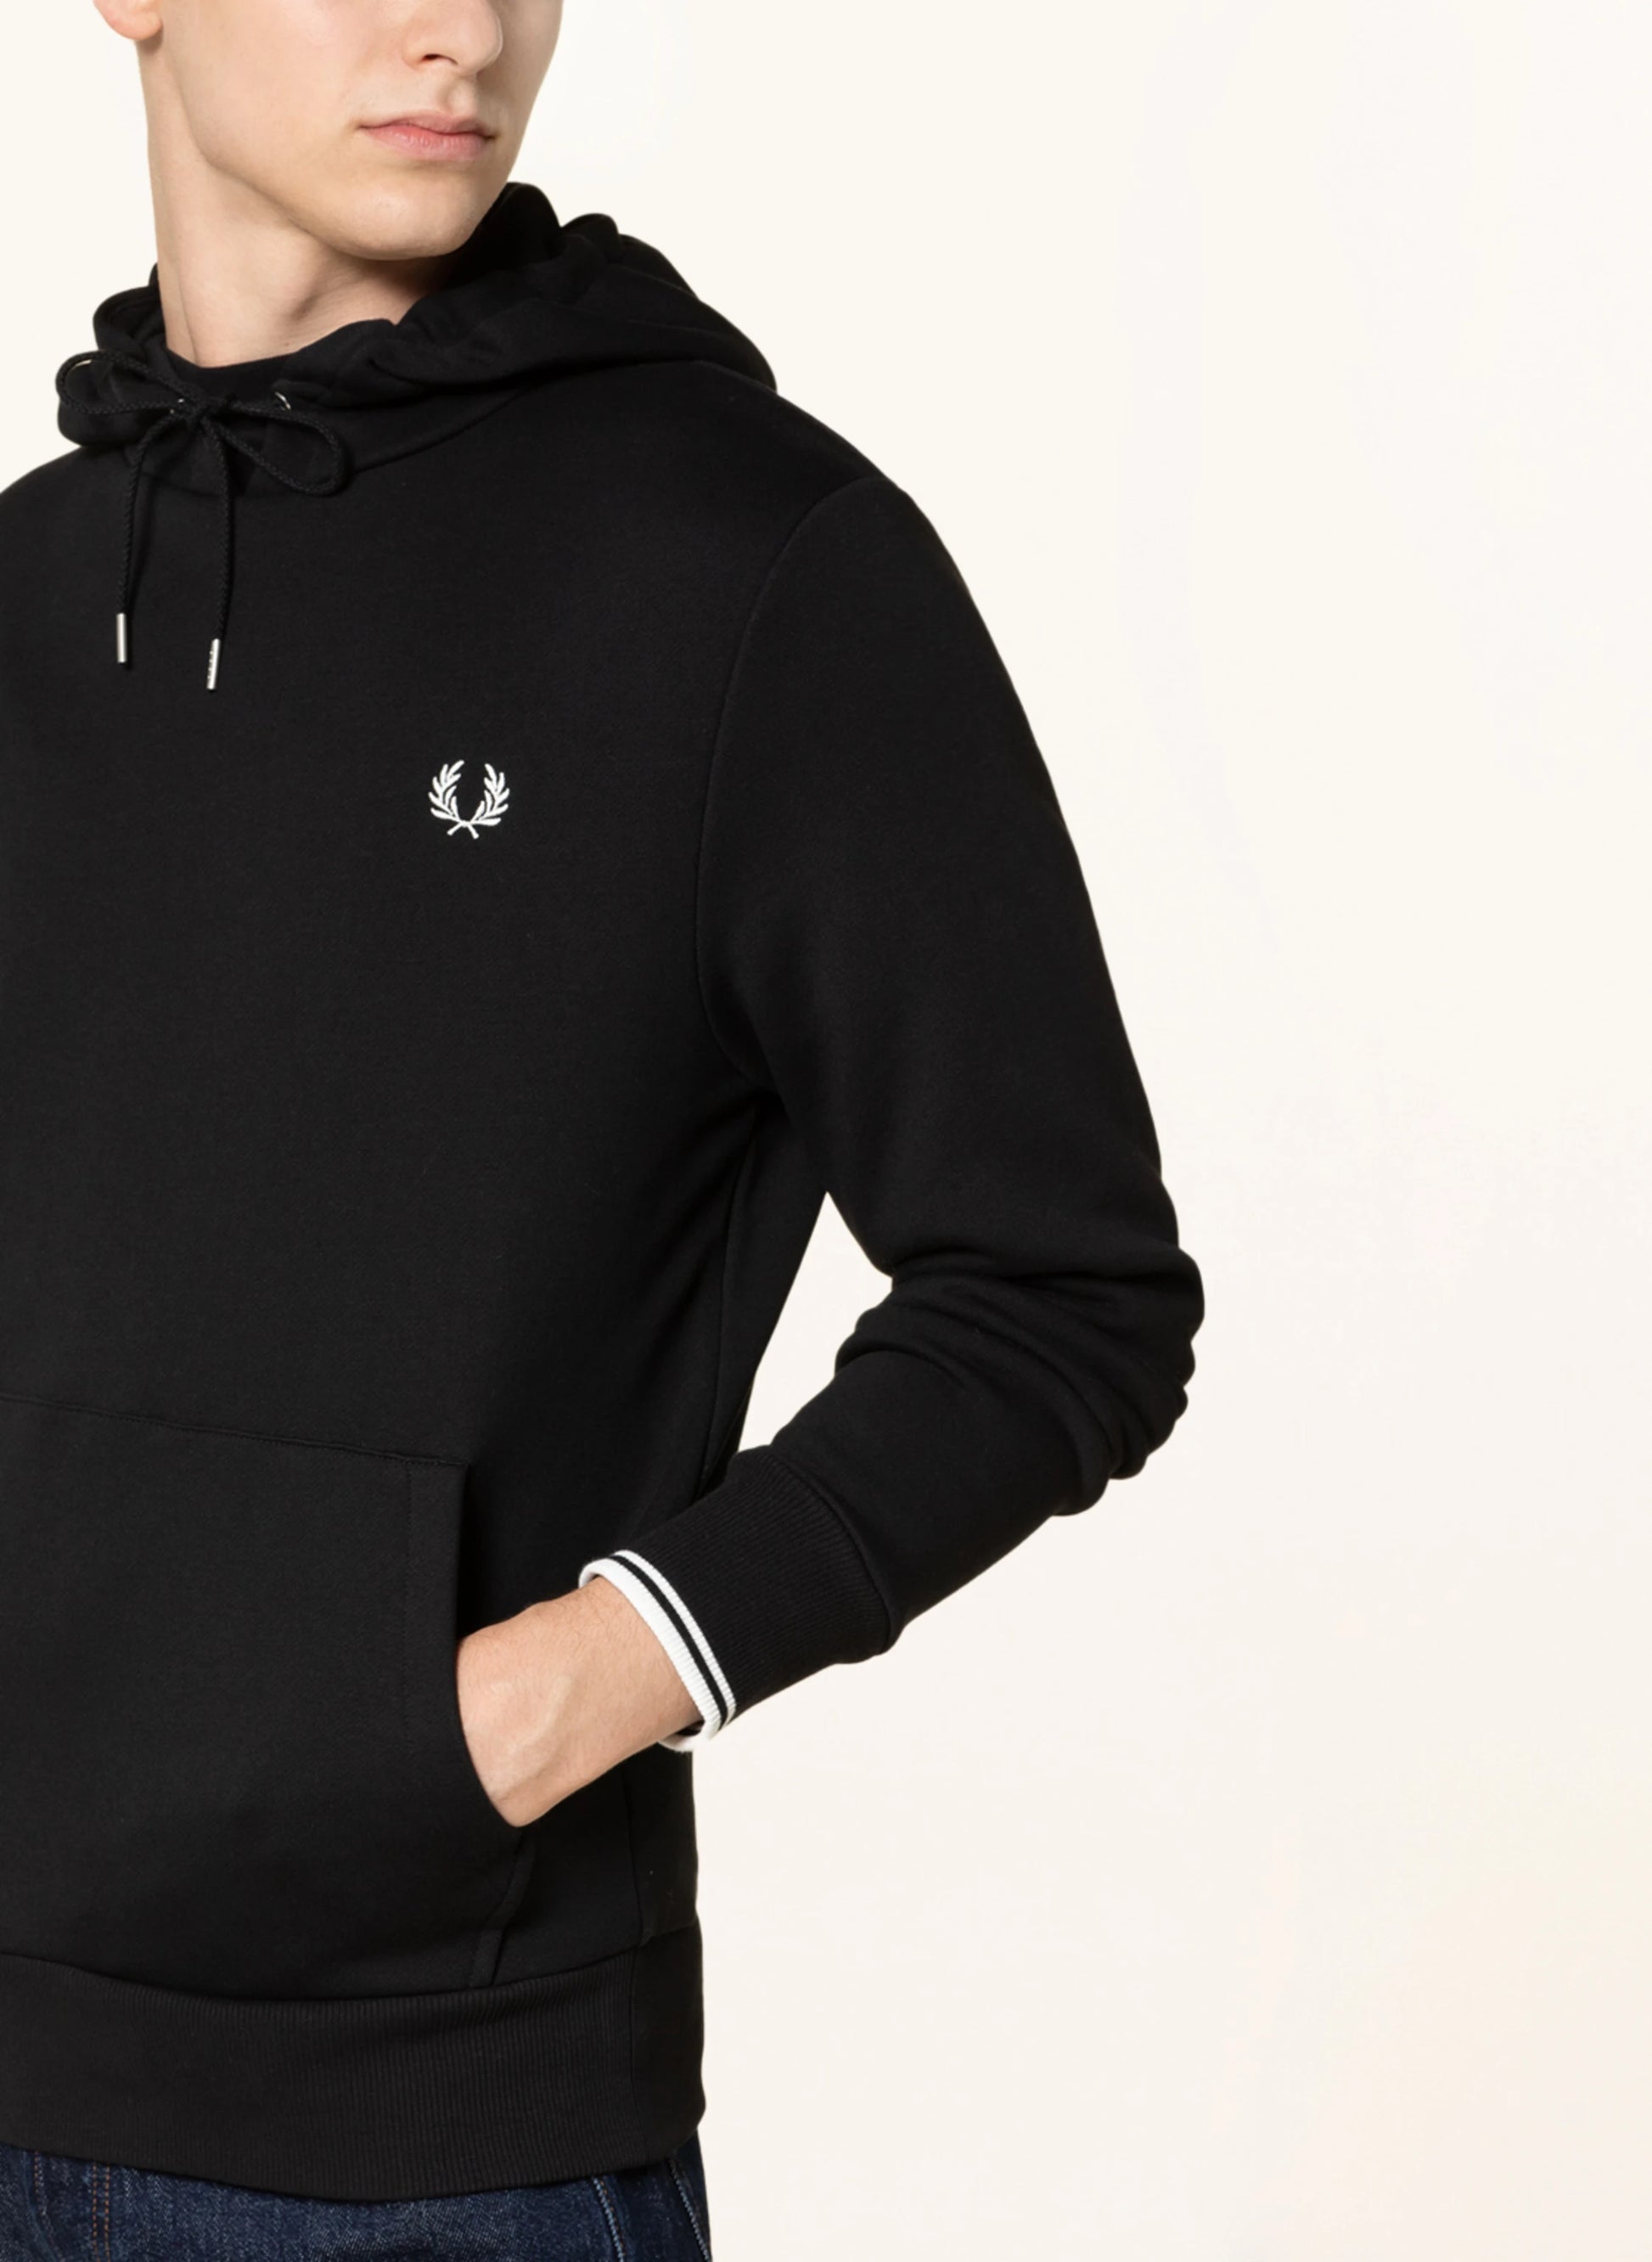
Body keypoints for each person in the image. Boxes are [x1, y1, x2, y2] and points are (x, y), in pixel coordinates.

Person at [0, 0, 1203, 2252]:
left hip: (435, 2148)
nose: (460, 30)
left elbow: (1064, 1297)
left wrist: (551, 1698)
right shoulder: (33, 586)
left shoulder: (751, 563)